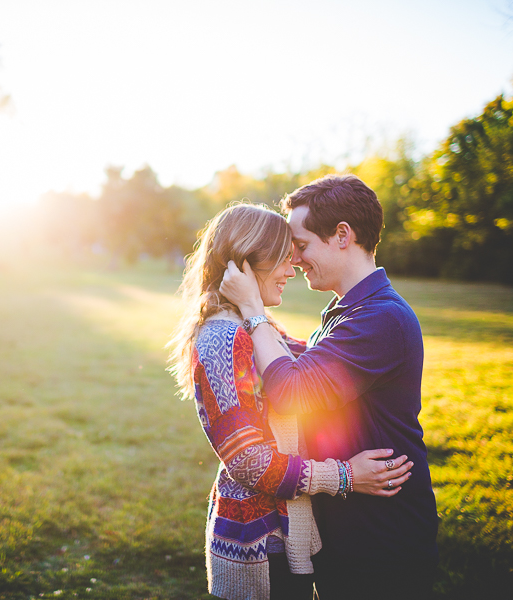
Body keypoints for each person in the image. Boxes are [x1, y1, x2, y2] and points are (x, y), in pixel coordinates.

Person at [168, 203, 414, 600]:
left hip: (287, 536)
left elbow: (304, 375)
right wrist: (346, 476)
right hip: (259, 546)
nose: (292, 268)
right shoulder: (221, 340)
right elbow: (248, 461)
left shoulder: (257, 328)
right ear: (247, 264)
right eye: (284, 259)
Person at [219, 175, 439, 599]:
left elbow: (293, 392)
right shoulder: (344, 311)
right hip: (350, 527)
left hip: (382, 539)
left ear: (342, 235)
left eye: (301, 245)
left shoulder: (382, 318)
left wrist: (252, 307)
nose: (295, 260)